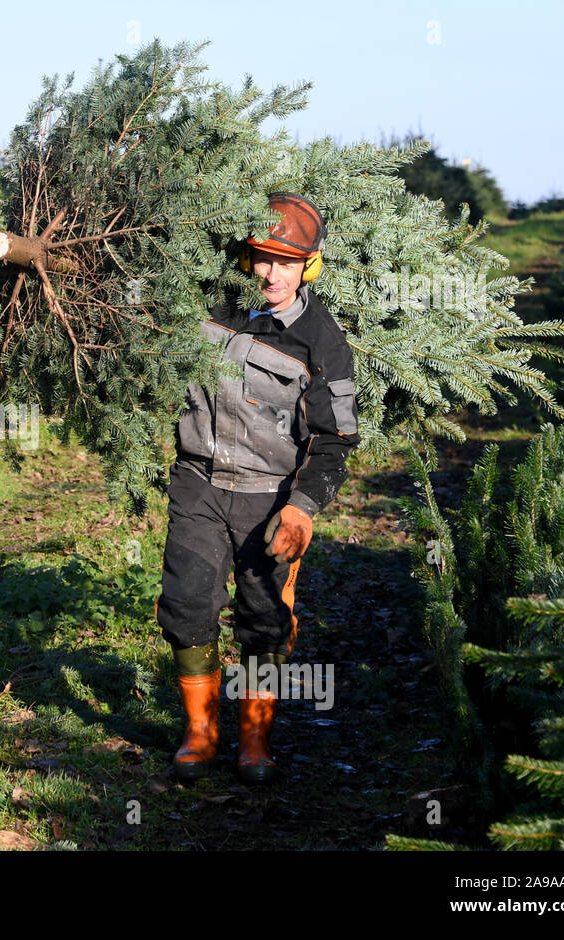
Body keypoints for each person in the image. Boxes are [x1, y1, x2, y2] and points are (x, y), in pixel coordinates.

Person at [156, 193, 361, 784]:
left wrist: (301, 509)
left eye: (287, 263)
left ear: (310, 266)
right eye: (262, 259)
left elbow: (335, 438)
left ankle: (254, 738)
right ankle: (200, 732)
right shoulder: (212, 304)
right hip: (198, 482)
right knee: (187, 603)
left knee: (264, 619)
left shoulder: (323, 342)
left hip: (267, 496)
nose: (272, 274)